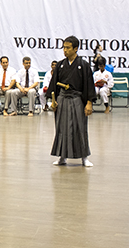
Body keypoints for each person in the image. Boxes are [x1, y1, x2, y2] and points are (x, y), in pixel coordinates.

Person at [47, 36, 97, 167]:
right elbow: (54, 85)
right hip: (62, 98)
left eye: (68, 48)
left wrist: (89, 103)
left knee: (80, 127)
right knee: (61, 128)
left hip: (77, 99)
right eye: (63, 47)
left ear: (76, 49)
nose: (65, 50)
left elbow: (89, 85)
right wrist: (52, 101)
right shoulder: (60, 64)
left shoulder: (83, 65)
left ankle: (84, 157)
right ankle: (62, 156)